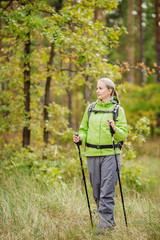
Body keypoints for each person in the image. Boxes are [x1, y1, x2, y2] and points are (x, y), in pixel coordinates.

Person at [73, 78, 128, 233]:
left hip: (111, 154)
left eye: (100, 88)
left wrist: (115, 129)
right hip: (91, 154)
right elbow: (83, 128)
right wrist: (80, 138)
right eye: (96, 88)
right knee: (97, 191)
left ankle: (105, 226)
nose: (97, 91)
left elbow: (123, 135)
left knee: (107, 191)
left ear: (109, 90)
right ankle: (107, 221)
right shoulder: (90, 108)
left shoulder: (118, 110)